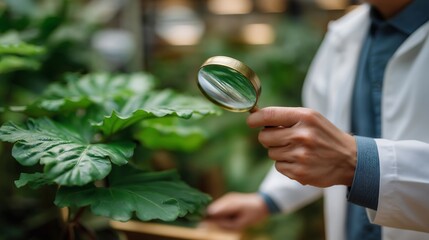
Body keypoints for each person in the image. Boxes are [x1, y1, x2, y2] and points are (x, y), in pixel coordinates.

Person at [206, 0, 429, 239]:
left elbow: (339, 154)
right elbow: (320, 143)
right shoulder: (345, 34)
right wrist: (266, 201)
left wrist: (359, 163)